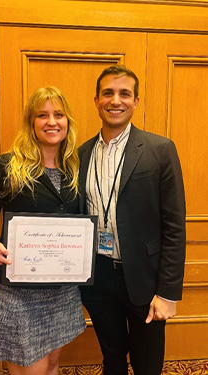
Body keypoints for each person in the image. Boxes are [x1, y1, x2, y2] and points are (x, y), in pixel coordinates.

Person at [0, 86, 86, 375]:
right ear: (31, 123)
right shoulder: (8, 166)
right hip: (20, 291)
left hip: (63, 289)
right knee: (33, 369)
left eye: (58, 114)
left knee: (53, 365)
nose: (51, 122)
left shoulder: (76, 168)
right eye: (42, 115)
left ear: (67, 121)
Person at [79, 65, 186, 375]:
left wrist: (168, 293)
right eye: (108, 93)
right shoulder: (80, 154)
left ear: (136, 101)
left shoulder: (160, 150)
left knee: (147, 364)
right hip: (98, 278)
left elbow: (175, 227)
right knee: (112, 359)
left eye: (124, 93)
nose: (116, 100)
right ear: (96, 100)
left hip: (145, 279)